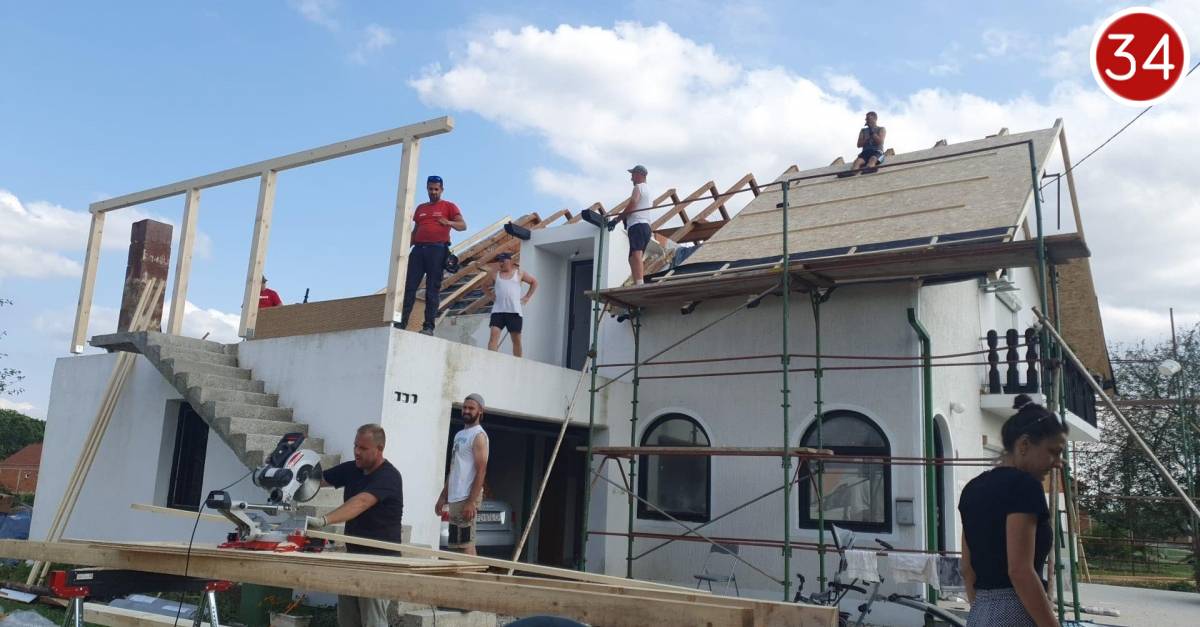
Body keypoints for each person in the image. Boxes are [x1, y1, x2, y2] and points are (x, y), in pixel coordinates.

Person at [958, 395, 1068, 627]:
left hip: (978, 613)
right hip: (1018, 612)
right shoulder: (1025, 486)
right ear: (1024, 445)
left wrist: (985, 613)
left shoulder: (972, 488)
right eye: (1053, 451)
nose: (1059, 462)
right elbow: (1020, 571)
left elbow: (967, 569)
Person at [307, 424, 404, 627]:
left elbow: (361, 502)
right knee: (347, 621)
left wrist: (324, 521)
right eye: (355, 446)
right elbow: (316, 480)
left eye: (363, 448)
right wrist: (287, 475)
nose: (357, 452)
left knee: (373, 622)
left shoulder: (389, 476)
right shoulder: (353, 468)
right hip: (353, 557)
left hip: (380, 562)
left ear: (379, 449)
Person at [401, 175, 467, 335]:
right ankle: (401, 323)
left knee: (432, 289)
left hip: (437, 250)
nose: (433, 192)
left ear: (442, 189)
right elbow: (415, 231)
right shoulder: (421, 208)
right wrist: (403, 250)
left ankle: (428, 326)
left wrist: (449, 222)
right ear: (427, 189)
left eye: (436, 189)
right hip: (418, 250)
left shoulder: (449, 206)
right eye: (431, 189)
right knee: (409, 287)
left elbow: (463, 226)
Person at [435, 393, 490, 555]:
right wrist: (443, 496)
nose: (466, 411)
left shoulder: (479, 436)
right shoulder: (459, 435)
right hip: (455, 496)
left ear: (480, 411)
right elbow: (454, 468)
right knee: (456, 544)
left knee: (466, 543)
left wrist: (471, 502)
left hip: (467, 496)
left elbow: (481, 470)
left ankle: (472, 571)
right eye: (464, 407)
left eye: (471, 408)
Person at [480, 252, 537, 357]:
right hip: (498, 311)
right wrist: (491, 296)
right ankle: (491, 360)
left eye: (503, 261)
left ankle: (518, 362)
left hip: (514, 312)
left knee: (516, 340)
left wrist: (527, 297)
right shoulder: (495, 275)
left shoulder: (519, 273)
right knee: (493, 337)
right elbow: (484, 285)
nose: (501, 263)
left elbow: (534, 282)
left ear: (509, 261)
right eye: (499, 261)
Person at [620, 165, 653, 285]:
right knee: (632, 257)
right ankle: (637, 282)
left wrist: (619, 218)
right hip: (645, 226)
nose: (631, 179)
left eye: (633, 175)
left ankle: (639, 284)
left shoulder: (638, 187)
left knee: (636, 254)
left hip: (638, 225)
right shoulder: (648, 190)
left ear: (639, 174)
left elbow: (633, 203)